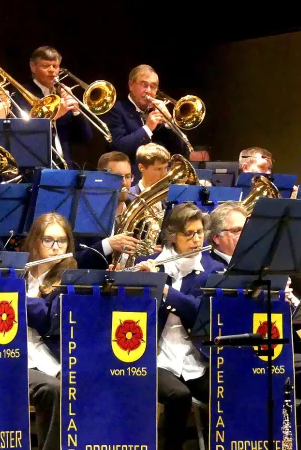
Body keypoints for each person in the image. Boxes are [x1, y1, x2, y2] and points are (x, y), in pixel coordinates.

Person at [133, 203, 222, 450]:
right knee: (178, 396)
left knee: (231, 387)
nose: (196, 239)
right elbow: (132, 316)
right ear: (173, 237)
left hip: (196, 360)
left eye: (199, 232)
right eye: (189, 234)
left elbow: (198, 312)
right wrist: (138, 285)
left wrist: (164, 289)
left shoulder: (212, 270)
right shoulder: (150, 263)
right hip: (157, 357)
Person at [22, 213, 74, 450]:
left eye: (61, 241)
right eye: (48, 240)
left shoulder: (69, 280)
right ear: (35, 241)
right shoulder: (16, 274)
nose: (56, 247)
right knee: (52, 389)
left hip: (51, 356)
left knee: (78, 383)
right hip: (14, 354)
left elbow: (47, 317)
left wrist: (12, 299)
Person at [104, 64, 189, 180]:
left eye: (153, 87)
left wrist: (170, 122)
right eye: (143, 84)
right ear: (131, 85)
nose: (148, 90)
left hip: (161, 182)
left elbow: (182, 151)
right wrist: (148, 129)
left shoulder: (159, 113)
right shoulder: (117, 110)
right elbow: (117, 148)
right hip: (131, 181)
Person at [13, 46, 92, 168]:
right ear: (33, 67)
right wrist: (56, 114)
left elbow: (85, 137)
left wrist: (76, 111)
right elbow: (25, 134)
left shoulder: (61, 94)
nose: (52, 70)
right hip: (36, 166)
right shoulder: (20, 95)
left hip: (65, 166)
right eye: (45, 66)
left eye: (55, 66)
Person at [74, 151, 140, 270]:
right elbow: (74, 261)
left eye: (128, 176)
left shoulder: (140, 214)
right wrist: (107, 245)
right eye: (118, 178)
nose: (125, 183)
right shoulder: (83, 215)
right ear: (102, 178)